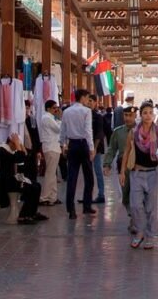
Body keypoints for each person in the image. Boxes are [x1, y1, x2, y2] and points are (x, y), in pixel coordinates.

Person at [123, 102, 158, 249]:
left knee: (151, 207)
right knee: (135, 205)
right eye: (145, 113)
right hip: (136, 173)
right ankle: (139, 232)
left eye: (150, 113)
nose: (148, 115)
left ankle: (150, 236)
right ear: (140, 115)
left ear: (154, 115)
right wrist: (122, 171)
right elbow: (127, 152)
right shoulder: (134, 132)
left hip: (152, 174)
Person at [61, 90, 98, 219]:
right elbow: (88, 130)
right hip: (83, 145)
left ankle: (71, 209)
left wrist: (63, 145)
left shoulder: (66, 111)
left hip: (72, 145)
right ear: (82, 98)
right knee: (89, 177)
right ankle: (87, 206)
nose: (88, 101)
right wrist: (92, 148)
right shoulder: (86, 111)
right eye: (87, 98)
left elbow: (63, 130)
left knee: (72, 178)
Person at [105, 106, 137, 230]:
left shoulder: (141, 130)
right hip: (123, 167)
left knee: (137, 194)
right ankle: (132, 215)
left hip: (138, 167)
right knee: (125, 195)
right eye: (126, 115)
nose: (128, 118)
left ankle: (135, 220)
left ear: (135, 116)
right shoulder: (118, 132)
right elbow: (112, 149)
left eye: (130, 115)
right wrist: (107, 164)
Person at [38, 100, 63, 205]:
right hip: (51, 147)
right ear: (48, 109)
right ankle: (44, 197)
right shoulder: (47, 118)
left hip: (53, 147)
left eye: (57, 107)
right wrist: (60, 118)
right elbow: (59, 129)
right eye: (54, 107)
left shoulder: (50, 118)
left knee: (52, 174)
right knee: (50, 173)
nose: (56, 109)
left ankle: (52, 196)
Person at [91, 100, 112, 203]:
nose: (89, 102)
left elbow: (100, 133)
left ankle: (101, 194)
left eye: (91, 101)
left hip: (96, 148)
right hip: (86, 147)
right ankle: (88, 195)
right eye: (88, 100)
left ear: (95, 102)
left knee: (97, 170)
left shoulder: (98, 117)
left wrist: (94, 148)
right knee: (88, 172)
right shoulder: (85, 114)